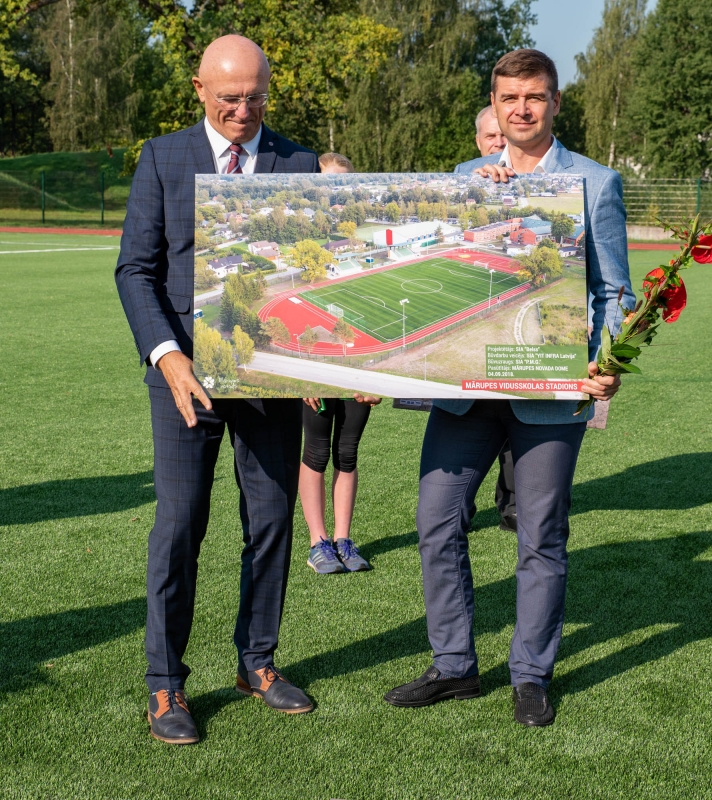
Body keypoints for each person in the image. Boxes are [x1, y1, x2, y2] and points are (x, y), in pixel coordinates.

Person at [384, 49, 634, 727]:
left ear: (556, 102)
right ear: (493, 105)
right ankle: (455, 666)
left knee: (540, 536)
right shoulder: (467, 176)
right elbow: (434, 260)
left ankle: (530, 674)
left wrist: (607, 363)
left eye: (535, 96)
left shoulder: (596, 182)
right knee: (437, 522)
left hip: (550, 391)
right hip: (468, 388)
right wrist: (481, 199)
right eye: (509, 98)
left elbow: (616, 290)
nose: (521, 108)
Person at [115, 35, 321, 745]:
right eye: (229, 97)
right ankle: (164, 683)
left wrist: (321, 366)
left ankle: (257, 663)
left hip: (269, 383)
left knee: (270, 523)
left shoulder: (299, 162)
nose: (242, 110)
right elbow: (136, 271)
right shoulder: (162, 157)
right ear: (199, 89)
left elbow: (314, 271)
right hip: (184, 382)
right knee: (179, 527)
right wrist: (169, 358)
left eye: (255, 97)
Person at [299, 151, 378, 574]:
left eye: (343, 185)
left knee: (347, 452)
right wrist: (305, 375)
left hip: (359, 362)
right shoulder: (303, 239)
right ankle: (318, 543)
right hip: (316, 363)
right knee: (315, 452)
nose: (337, 192)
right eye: (330, 184)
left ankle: (344, 541)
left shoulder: (358, 236)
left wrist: (377, 373)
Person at [471, 106, 517, 534]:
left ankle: (511, 505)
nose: (498, 144)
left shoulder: (533, 175)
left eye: (502, 136)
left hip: (510, 321)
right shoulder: (463, 176)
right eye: (490, 137)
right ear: (478, 141)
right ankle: (461, 506)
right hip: (473, 350)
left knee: (514, 425)